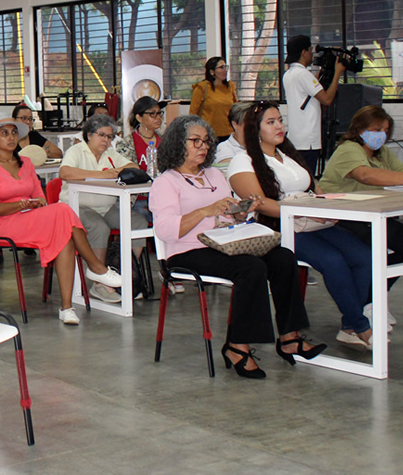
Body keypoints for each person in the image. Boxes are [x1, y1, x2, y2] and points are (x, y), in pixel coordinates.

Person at [151, 114, 325, 379]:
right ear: (177, 144)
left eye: (206, 141)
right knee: (250, 267)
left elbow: (226, 216)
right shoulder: (166, 182)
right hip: (185, 251)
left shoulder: (214, 175)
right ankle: (237, 345)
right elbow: (165, 230)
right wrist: (205, 211)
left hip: (223, 243)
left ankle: (290, 337)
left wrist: (242, 212)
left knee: (283, 257)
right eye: (195, 141)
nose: (203, 147)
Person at [228, 102, 378, 351]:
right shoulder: (242, 161)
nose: (280, 126)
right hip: (281, 227)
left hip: (313, 221)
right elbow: (260, 204)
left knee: (364, 257)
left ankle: (351, 325)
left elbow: (314, 188)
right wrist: (304, 210)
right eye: (271, 122)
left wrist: (326, 206)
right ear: (255, 129)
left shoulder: (288, 156)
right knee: (333, 261)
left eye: (280, 120)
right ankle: (362, 327)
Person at [0, 115, 122, 325]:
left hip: (31, 218)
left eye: (14, 132)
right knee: (63, 211)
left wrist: (35, 204)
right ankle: (96, 267)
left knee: (64, 235)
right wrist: (23, 205)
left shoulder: (25, 162)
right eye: (4, 133)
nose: (11, 137)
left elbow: (41, 196)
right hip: (5, 224)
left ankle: (67, 308)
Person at [57, 113, 147, 302]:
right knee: (99, 227)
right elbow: (65, 172)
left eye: (110, 136)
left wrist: (120, 171)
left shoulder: (110, 154)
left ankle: (125, 271)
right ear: (89, 135)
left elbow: (133, 167)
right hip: (76, 206)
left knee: (138, 222)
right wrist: (103, 175)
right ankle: (100, 283)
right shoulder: (76, 151)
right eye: (101, 135)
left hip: (106, 206)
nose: (106, 140)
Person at [320, 105, 403, 264]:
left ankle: (374, 286)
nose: (382, 135)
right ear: (360, 129)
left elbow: (399, 173)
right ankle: (371, 285)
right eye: (377, 129)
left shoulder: (383, 152)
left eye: (385, 131)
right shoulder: (348, 148)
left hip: (370, 215)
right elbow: (365, 175)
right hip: (342, 216)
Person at [282, 35, 346, 173]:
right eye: (310, 50)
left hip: (296, 138)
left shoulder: (289, 74)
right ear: (304, 52)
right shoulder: (303, 75)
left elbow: (312, 87)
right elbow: (327, 99)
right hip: (308, 141)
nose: (312, 54)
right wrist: (337, 74)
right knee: (308, 178)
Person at [116, 96, 167, 221]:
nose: (158, 118)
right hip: (138, 199)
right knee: (155, 216)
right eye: (152, 114)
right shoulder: (126, 144)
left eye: (159, 113)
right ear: (139, 118)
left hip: (165, 196)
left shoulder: (166, 141)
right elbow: (127, 176)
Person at [190, 57, 238, 141]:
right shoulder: (202, 87)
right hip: (208, 135)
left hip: (229, 133)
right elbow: (193, 113)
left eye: (225, 67)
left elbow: (236, 109)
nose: (225, 70)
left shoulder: (230, 86)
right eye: (221, 67)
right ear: (212, 72)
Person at [212, 102, 253, 168]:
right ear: (235, 124)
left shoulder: (262, 143)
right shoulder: (224, 148)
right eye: (249, 123)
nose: (254, 126)